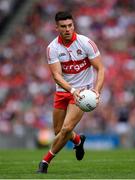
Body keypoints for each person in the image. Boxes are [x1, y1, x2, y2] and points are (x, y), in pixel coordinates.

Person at [37, 11, 105, 173]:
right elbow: (56, 75)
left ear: (73, 25)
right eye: (63, 27)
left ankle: (45, 162)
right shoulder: (52, 48)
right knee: (58, 132)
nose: (67, 29)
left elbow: (100, 68)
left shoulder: (86, 43)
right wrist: (71, 90)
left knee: (66, 129)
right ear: (57, 28)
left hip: (82, 94)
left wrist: (96, 90)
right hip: (63, 91)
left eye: (70, 25)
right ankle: (78, 140)